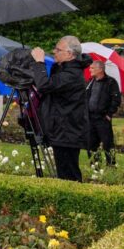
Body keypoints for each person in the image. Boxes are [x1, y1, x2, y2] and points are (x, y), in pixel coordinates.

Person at [31, 36, 92, 182]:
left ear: (70, 54)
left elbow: (45, 86)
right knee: (64, 174)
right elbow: (49, 86)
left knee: (69, 176)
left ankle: (74, 203)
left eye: (58, 50)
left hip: (67, 131)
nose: (54, 52)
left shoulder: (71, 75)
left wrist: (39, 62)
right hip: (63, 129)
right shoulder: (65, 70)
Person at [85, 59, 120, 166]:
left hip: (103, 118)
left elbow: (116, 100)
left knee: (107, 144)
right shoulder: (90, 82)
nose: (90, 70)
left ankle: (111, 166)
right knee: (91, 144)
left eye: (92, 68)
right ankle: (95, 167)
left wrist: (109, 114)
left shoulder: (111, 82)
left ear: (100, 69)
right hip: (91, 118)